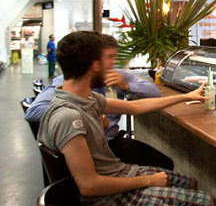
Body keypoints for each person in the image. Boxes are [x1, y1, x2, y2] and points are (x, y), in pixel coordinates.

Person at [37, 31, 216, 206]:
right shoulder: (69, 117)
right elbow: (89, 186)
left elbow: (134, 106)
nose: (111, 67)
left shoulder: (85, 98)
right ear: (94, 66)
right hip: (105, 201)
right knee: (209, 205)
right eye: (107, 61)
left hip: (116, 178)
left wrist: (186, 96)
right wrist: (149, 181)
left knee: (190, 183)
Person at [26, 34, 173, 170]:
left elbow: (148, 96)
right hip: (91, 149)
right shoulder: (70, 83)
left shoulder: (116, 78)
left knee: (164, 163)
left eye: (113, 57)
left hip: (111, 142)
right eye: (107, 57)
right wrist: (88, 116)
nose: (110, 63)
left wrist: (127, 86)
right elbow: (33, 111)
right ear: (94, 62)